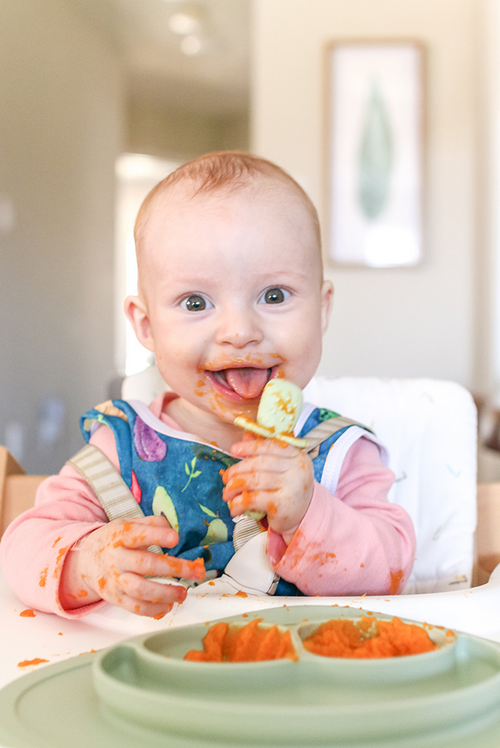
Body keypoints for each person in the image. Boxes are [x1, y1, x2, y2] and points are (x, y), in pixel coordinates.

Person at [0, 152, 415, 619]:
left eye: (273, 295)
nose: (238, 330)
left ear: (321, 310)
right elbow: (20, 549)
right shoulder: (119, 448)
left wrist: (308, 513)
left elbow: (393, 567)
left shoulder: (340, 450)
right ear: (147, 325)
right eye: (195, 302)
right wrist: (86, 561)